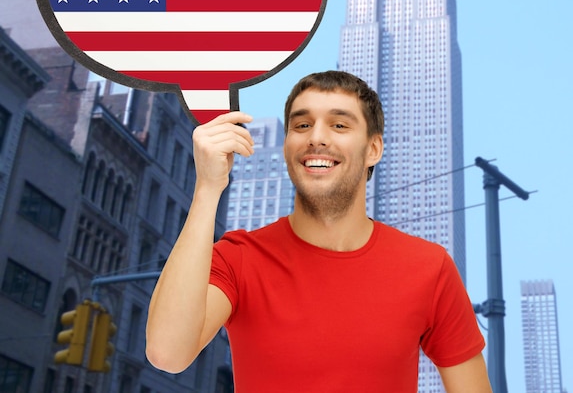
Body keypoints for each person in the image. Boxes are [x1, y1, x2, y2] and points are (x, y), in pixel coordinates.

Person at [146, 71, 492, 392]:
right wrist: (208, 187)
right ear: (286, 146)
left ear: (373, 149)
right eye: (301, 125)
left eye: (339, 125)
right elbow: (168, 354)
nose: (316, 138)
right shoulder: (238, 258)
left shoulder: (429, 268)